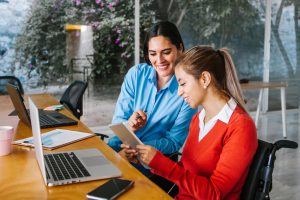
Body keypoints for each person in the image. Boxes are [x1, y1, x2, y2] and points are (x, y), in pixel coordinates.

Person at [136, 46, 258, 199]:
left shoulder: (240, 126)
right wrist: (150, 161)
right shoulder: (198, 119)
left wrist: (161, 163)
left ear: (205, 79)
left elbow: (214, 194)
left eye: (182, 83)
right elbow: (186, 171)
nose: (179, 92)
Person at [107, 21, 197, 174]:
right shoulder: (136, 74)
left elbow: (174, 142)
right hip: (116, 149)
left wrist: (136, 149)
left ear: (180, 48)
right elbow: (118, 122)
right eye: (153, 53)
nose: (159, 60)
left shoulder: (187, 89)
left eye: (166, 52)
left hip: (148, 164)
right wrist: (130, 126)